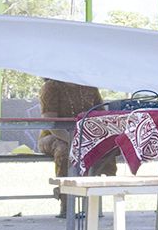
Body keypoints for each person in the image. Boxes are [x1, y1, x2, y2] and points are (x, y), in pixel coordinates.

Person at [38, 78, 115, 217]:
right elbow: (50, 122)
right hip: (53, 136)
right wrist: (74, 141)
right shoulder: (51, 86)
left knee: (106, 147)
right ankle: (66, 203)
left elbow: (101, 115)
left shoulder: (90, 86)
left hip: (84, 136)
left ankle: (92, 199)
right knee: (65, 150)